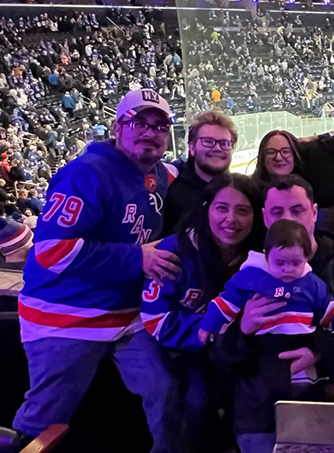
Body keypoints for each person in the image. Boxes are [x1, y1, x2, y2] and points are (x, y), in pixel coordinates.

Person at [13, 89, 185, 452]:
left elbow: (178, 172)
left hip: (125, 315)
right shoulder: (85, 174)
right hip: (63, 315)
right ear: (116, 127)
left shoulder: (158, 173)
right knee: (46, 417)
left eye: (159, 125)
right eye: (138, 122)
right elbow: (52, 251)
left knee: (166, 390)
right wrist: (138, 258)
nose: (149, 132)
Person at [214, 175, 334, 452]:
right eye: (277, 212)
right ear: (264, 217)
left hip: (332, 415)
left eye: (297, 210)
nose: (288, 218)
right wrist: (243, 332)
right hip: (260, 421)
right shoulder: (246, 274)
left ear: (313, 213)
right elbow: (218, 356)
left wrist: (322, 353)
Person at [199, 219, 334, 452]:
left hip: (306, 336)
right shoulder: (253, 277)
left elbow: (327, 306)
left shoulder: (312, 282)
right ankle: (280, 412)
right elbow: (226, 301)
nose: (287, 270)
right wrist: (209, 324)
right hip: (269, 341)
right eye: (280, 263)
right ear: (266, 256)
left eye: (295, 263)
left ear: (307, 257)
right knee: (274, 376)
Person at [142, 173, 265, 453]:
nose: (231, 219)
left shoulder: (262, 257)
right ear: (206, 208)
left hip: (242, 350)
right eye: (222, 207)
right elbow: (156, 320)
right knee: (197, 402)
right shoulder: (173, 252)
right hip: (189, 351)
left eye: (242, 210)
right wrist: (214, 331)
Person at [163, 111, 236, 235]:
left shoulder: (239, 191)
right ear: (192, 148)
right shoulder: (170, 191)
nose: (218, 148)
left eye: (225, 143)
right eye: (208, 141)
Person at [251, 130, 302, 194]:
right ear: (263, 158)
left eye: (285, 152)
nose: (278, 158)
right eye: (271, 152)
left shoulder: (310, 188)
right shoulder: (250, 192)